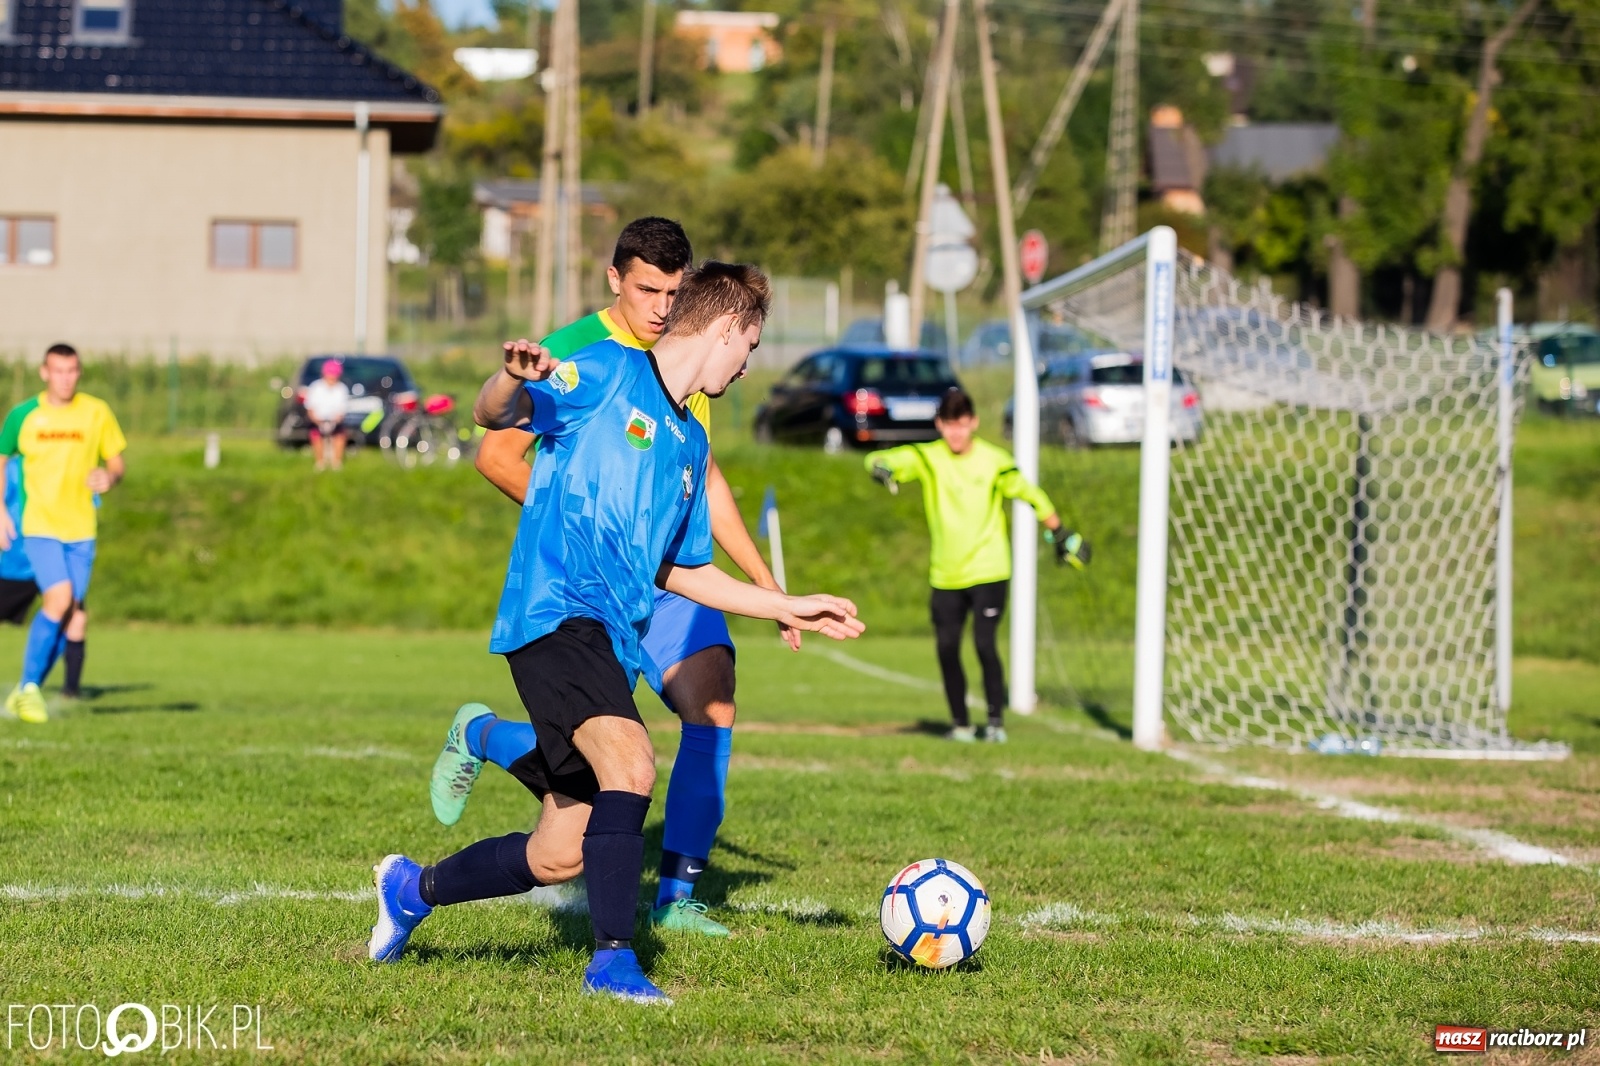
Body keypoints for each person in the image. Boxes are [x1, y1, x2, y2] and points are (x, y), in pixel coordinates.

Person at [370, 262, 866, 1004]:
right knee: (631, 762)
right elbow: (491, 415)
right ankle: (612, 965)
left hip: (612, 637)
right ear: (727, 327)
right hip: (554, 613)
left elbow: (680, 570)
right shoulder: (606, 372)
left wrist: (783, 605)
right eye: (751, 345)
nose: (747, 365)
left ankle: (412, 889)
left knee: (558, 854)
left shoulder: (689, 443)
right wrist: (509, 378)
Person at [434, 217, 788, 937]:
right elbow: (495, 445)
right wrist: (598, 526)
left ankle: (677, 895)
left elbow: (702, 482)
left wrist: (770, 589)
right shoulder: (586, 357)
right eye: (648, 290)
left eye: (674, 292)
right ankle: (615, 954)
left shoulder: (690, 382)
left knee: (710, 705)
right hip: (585, 580)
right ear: (615, 281)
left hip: (662, 570)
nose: (662, 307)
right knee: (619, 760)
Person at [864, 387, 1087, 743]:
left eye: (962, 423)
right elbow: (879, 459)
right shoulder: (928, 457)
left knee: (984, 643)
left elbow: (1030, 494)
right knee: (946, 648)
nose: (956, 432)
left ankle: (995, 723)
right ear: (939, 424)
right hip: (945, 573)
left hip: (989, 569)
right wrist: (881, 468)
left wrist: (1059, 531)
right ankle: (961, 725)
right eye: (949, 424)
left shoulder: (994, 460)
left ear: (974, 422)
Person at [0, 343, 127, 724]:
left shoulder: (96, 412)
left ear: (79, 372)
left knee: (72, 613)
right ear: (44, 372)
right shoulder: (23, 415)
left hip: (81, 529)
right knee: (59, 600)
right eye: (58, 370)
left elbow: (116, 463)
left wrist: (110, 478)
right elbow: (1, 459)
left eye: (71, 370)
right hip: (40, 526)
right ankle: (29, 689)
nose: (65, 378)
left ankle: (26, 689)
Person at [303, 358, 350, 472]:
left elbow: (342, 411)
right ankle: (320, 462)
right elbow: (310, 409)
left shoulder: (342, 389)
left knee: (340, 436)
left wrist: (334, 421)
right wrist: (318, 422)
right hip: (317, 420)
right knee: (315, 435)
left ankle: (336, 463)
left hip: (335, 421)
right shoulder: (315, 387)